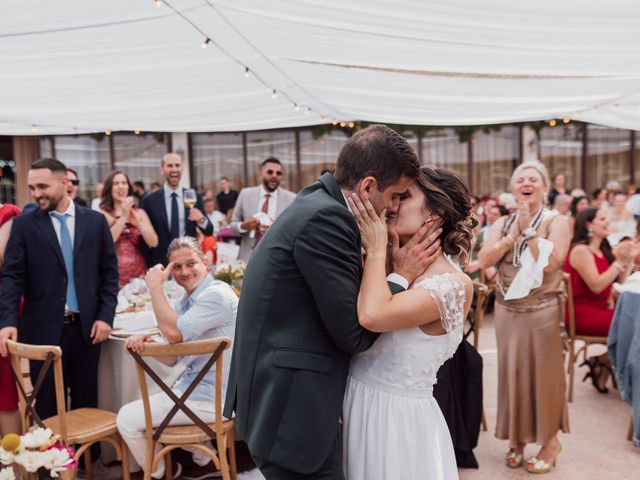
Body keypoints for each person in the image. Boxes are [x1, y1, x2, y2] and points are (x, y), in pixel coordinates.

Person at [224, 125, 440, 479]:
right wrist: (398, 276)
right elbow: (354, 334)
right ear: (368, 187)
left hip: (281, 396)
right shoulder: (329, 218)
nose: (396, 206)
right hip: (292, 412)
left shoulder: (317, 200)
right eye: (397, 195)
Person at [342, 167, 474, 480]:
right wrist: (389, 260)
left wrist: (375, 250)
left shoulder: (453, 286)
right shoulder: (394, 264)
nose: (392, 204)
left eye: (405, 196)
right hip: (356, 407)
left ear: (436, 213)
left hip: (394, 424)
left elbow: (373, 316)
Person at [0, 158, 118, 428]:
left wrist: (105, 316)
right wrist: (7, 322)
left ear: (64, 183)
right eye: (32, 187)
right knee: (48, 406)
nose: (36, 193)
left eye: (42, 186)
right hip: (42, 331)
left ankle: (89, 463)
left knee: (87, 400)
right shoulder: (24, 226)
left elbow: (110, 274)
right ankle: (55, 466)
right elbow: (12, 278)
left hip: (87, 329)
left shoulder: (96, 222)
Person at [117, 237, 238, 480]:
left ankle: (160, 474)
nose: (185, 272)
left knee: (126, 419)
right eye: (177, 267)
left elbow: (173, 334)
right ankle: (206, 461)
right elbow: (174, 358)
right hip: (196, 392)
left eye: (191, 263)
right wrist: (151, 344)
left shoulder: (216, 295)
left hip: (216, 399)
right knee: (154, 402)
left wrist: (154, 287)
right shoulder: (185, 302)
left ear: (206, 263)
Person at [478, 160, 570, 474]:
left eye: (533, 179)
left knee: (544, 377)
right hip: (507, 310)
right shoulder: (503, 223)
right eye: (521, 179)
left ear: (544, 187)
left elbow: (552, 263)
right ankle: (515, 440)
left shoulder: (557, 221)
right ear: (514, 188)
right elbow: (483, 259)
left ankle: (550, 442)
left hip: (542, 309)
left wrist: (529, 230)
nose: (526, 183)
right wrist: (510, 234)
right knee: (511, 374)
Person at [564, 207, 636, 392]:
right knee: (634, 325)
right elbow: (596, 285)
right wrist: (618, 262)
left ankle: (602, 363)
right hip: (583, 314)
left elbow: (620, 284)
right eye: (602, 219)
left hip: (603, 311)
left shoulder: (603, 251)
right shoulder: (580, 250)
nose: (607, 223)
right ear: (589, 224)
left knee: (633, 321)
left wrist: (628, 260)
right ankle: (608, 366)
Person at [141, 153, 212, 267]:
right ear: (162, 169)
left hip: (188, 262)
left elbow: (209, 231)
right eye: (170, 166)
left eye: (177, 165)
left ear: (182, 168)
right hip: (159, 263)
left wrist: (201, 220)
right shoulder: (149, 200)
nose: (174, 169)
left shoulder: (193, 196)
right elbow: (143, 238)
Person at [230, 158, 296, 262]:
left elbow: (295, 231)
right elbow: (233, 224)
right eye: (270, 172)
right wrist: (243, 226)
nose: (274, 175)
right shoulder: (245, 194)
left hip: (278, 259)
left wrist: (276, 230)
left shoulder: (291, 198)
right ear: (260, 174)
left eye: (278, 173)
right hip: (247, 259)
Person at [100, 171, 159, 288]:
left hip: (138, 275)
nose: (121, 186)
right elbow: (106, 243)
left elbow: (153, 242)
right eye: (116, 183)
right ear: (109, 188)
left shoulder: (139, 213)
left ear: (128, 187)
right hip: (113, 276)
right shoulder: (102, 214)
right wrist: (123, 217)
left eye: (124, 183)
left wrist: (139, 224)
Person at [0, 203, 21, 437]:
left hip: (3, 304)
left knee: (3, 389)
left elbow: (3, 260)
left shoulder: (8, 214)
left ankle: (12, 466)